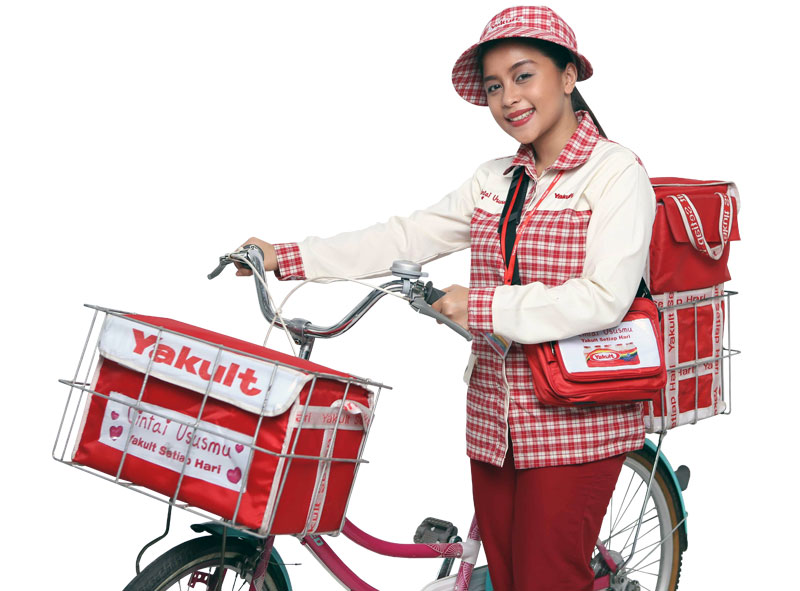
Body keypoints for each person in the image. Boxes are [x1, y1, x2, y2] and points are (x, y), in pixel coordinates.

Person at [236, 6, 655, 590]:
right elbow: (406, 237)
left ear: (568, 76)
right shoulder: (495, 179)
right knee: (506, 576)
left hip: (578, 417)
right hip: (494, 412)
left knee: (546, 579)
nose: (508, 98)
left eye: (523, 75)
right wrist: (288, 256)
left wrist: (481, 306)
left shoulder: (616, 173)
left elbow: (602, 298)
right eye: (494, 86)